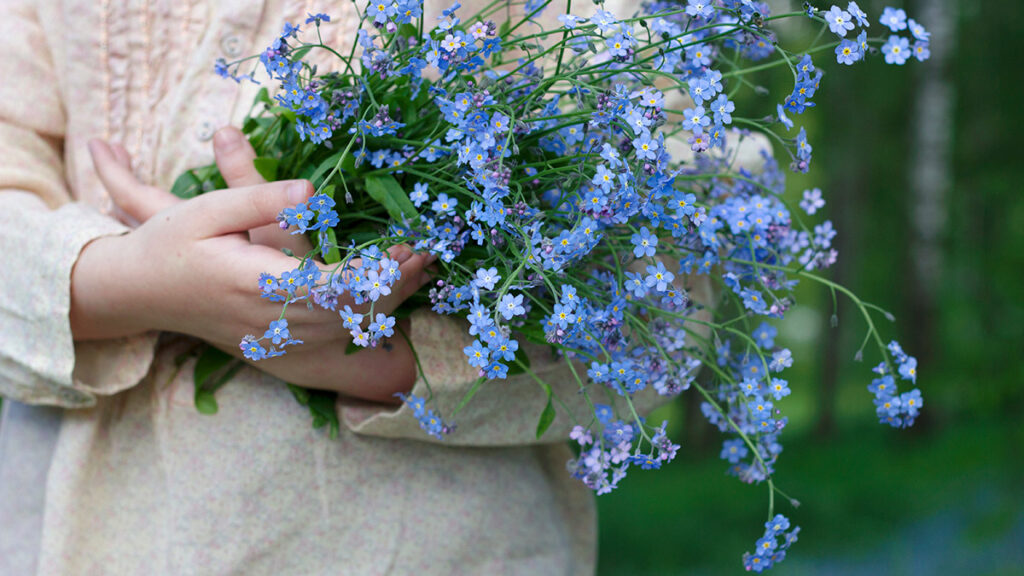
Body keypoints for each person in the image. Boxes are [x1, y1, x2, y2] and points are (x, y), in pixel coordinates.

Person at [0, 1, 757, 574]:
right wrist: (125, 283)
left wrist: (385, 361)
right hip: (66, 533)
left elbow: (664, 298)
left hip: (415, 544)